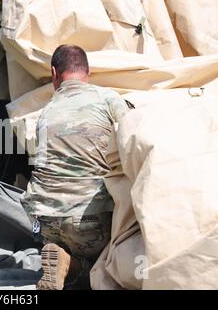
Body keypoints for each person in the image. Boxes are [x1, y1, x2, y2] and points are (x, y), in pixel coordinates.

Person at [21, 45, 133, 290]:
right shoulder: (108, 99)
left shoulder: (45, 113)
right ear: (88, 71)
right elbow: (135, 142)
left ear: (54, 73)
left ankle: (58, 254)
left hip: (45, 222)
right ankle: (73, 266)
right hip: (89, 223)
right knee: (106, 270)